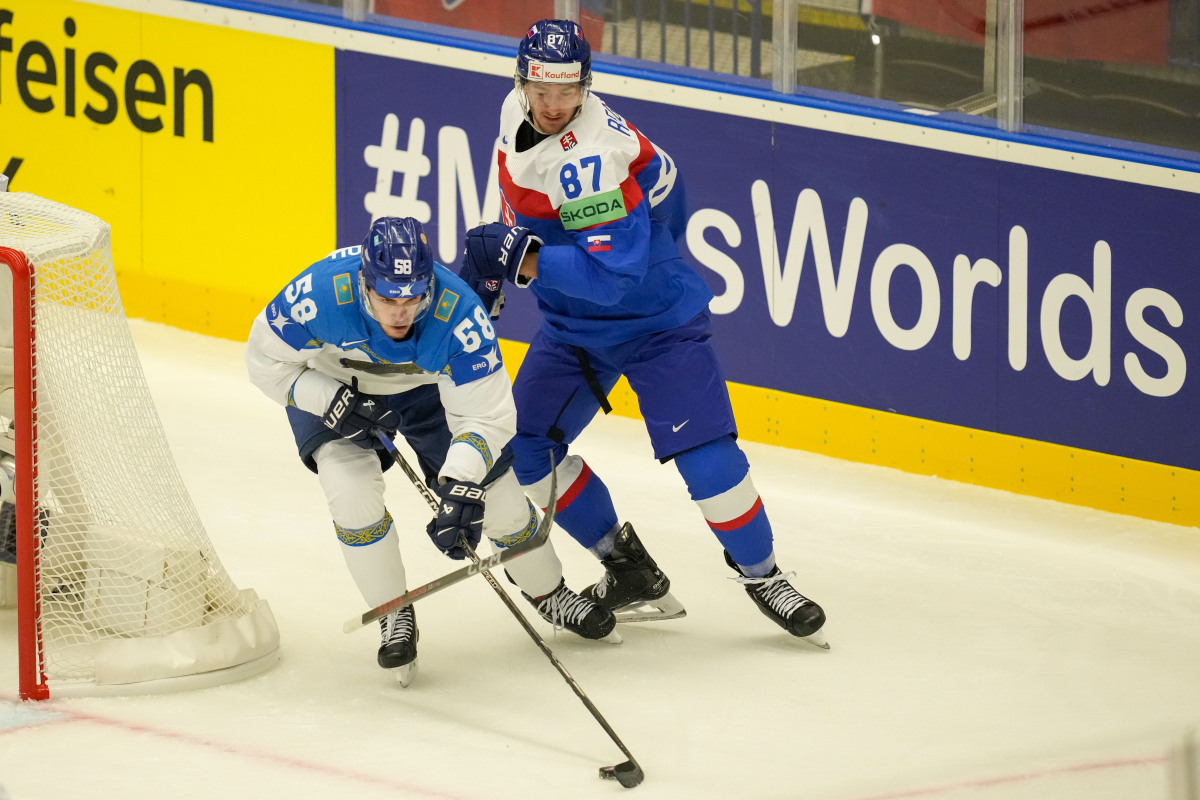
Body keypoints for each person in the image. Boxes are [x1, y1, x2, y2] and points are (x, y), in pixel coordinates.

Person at [458, 19, 828, 646]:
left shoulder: (592, 162)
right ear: (521, 82)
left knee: (706, 455)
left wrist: (524, 261)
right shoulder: (514, 114)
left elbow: (614, 281)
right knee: (524, 451)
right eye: (540, 90)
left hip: (656, 324)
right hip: (573, 328)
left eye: (566, 92)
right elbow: (673, 197)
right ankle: (627, 568)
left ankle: (765, 576)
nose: (552, 106)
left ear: (587, 86)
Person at [245, 216, 617, 687]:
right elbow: (264, 363)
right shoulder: (316, 295)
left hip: (426, 392)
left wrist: (461, 481)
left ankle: (550, 593)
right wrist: (329, 400)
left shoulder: (459, 312)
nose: (400, 312)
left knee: (497, 498)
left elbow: (486, 416)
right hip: (333, 386)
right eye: (386, 298)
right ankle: (392, 610)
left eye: (412, 297)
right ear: (364, 281)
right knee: (350, 491)